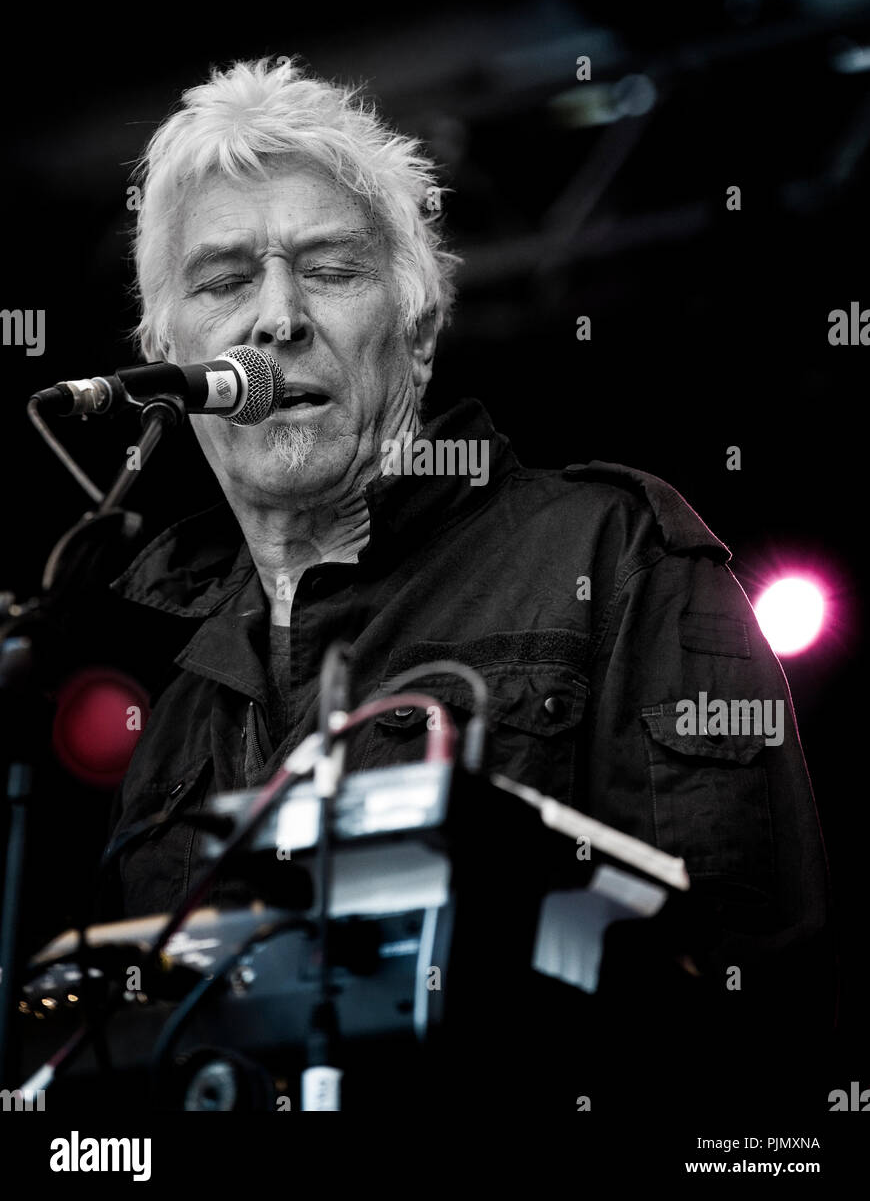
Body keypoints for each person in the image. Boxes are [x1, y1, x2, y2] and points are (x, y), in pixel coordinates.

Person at [99, 57, 832, 1050]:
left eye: (329, 269)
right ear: (166, 355)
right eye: (225, 280)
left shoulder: (610, 553)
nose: (274, 319)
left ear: (420, 331)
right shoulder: (164, 681)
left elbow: (748, 987)